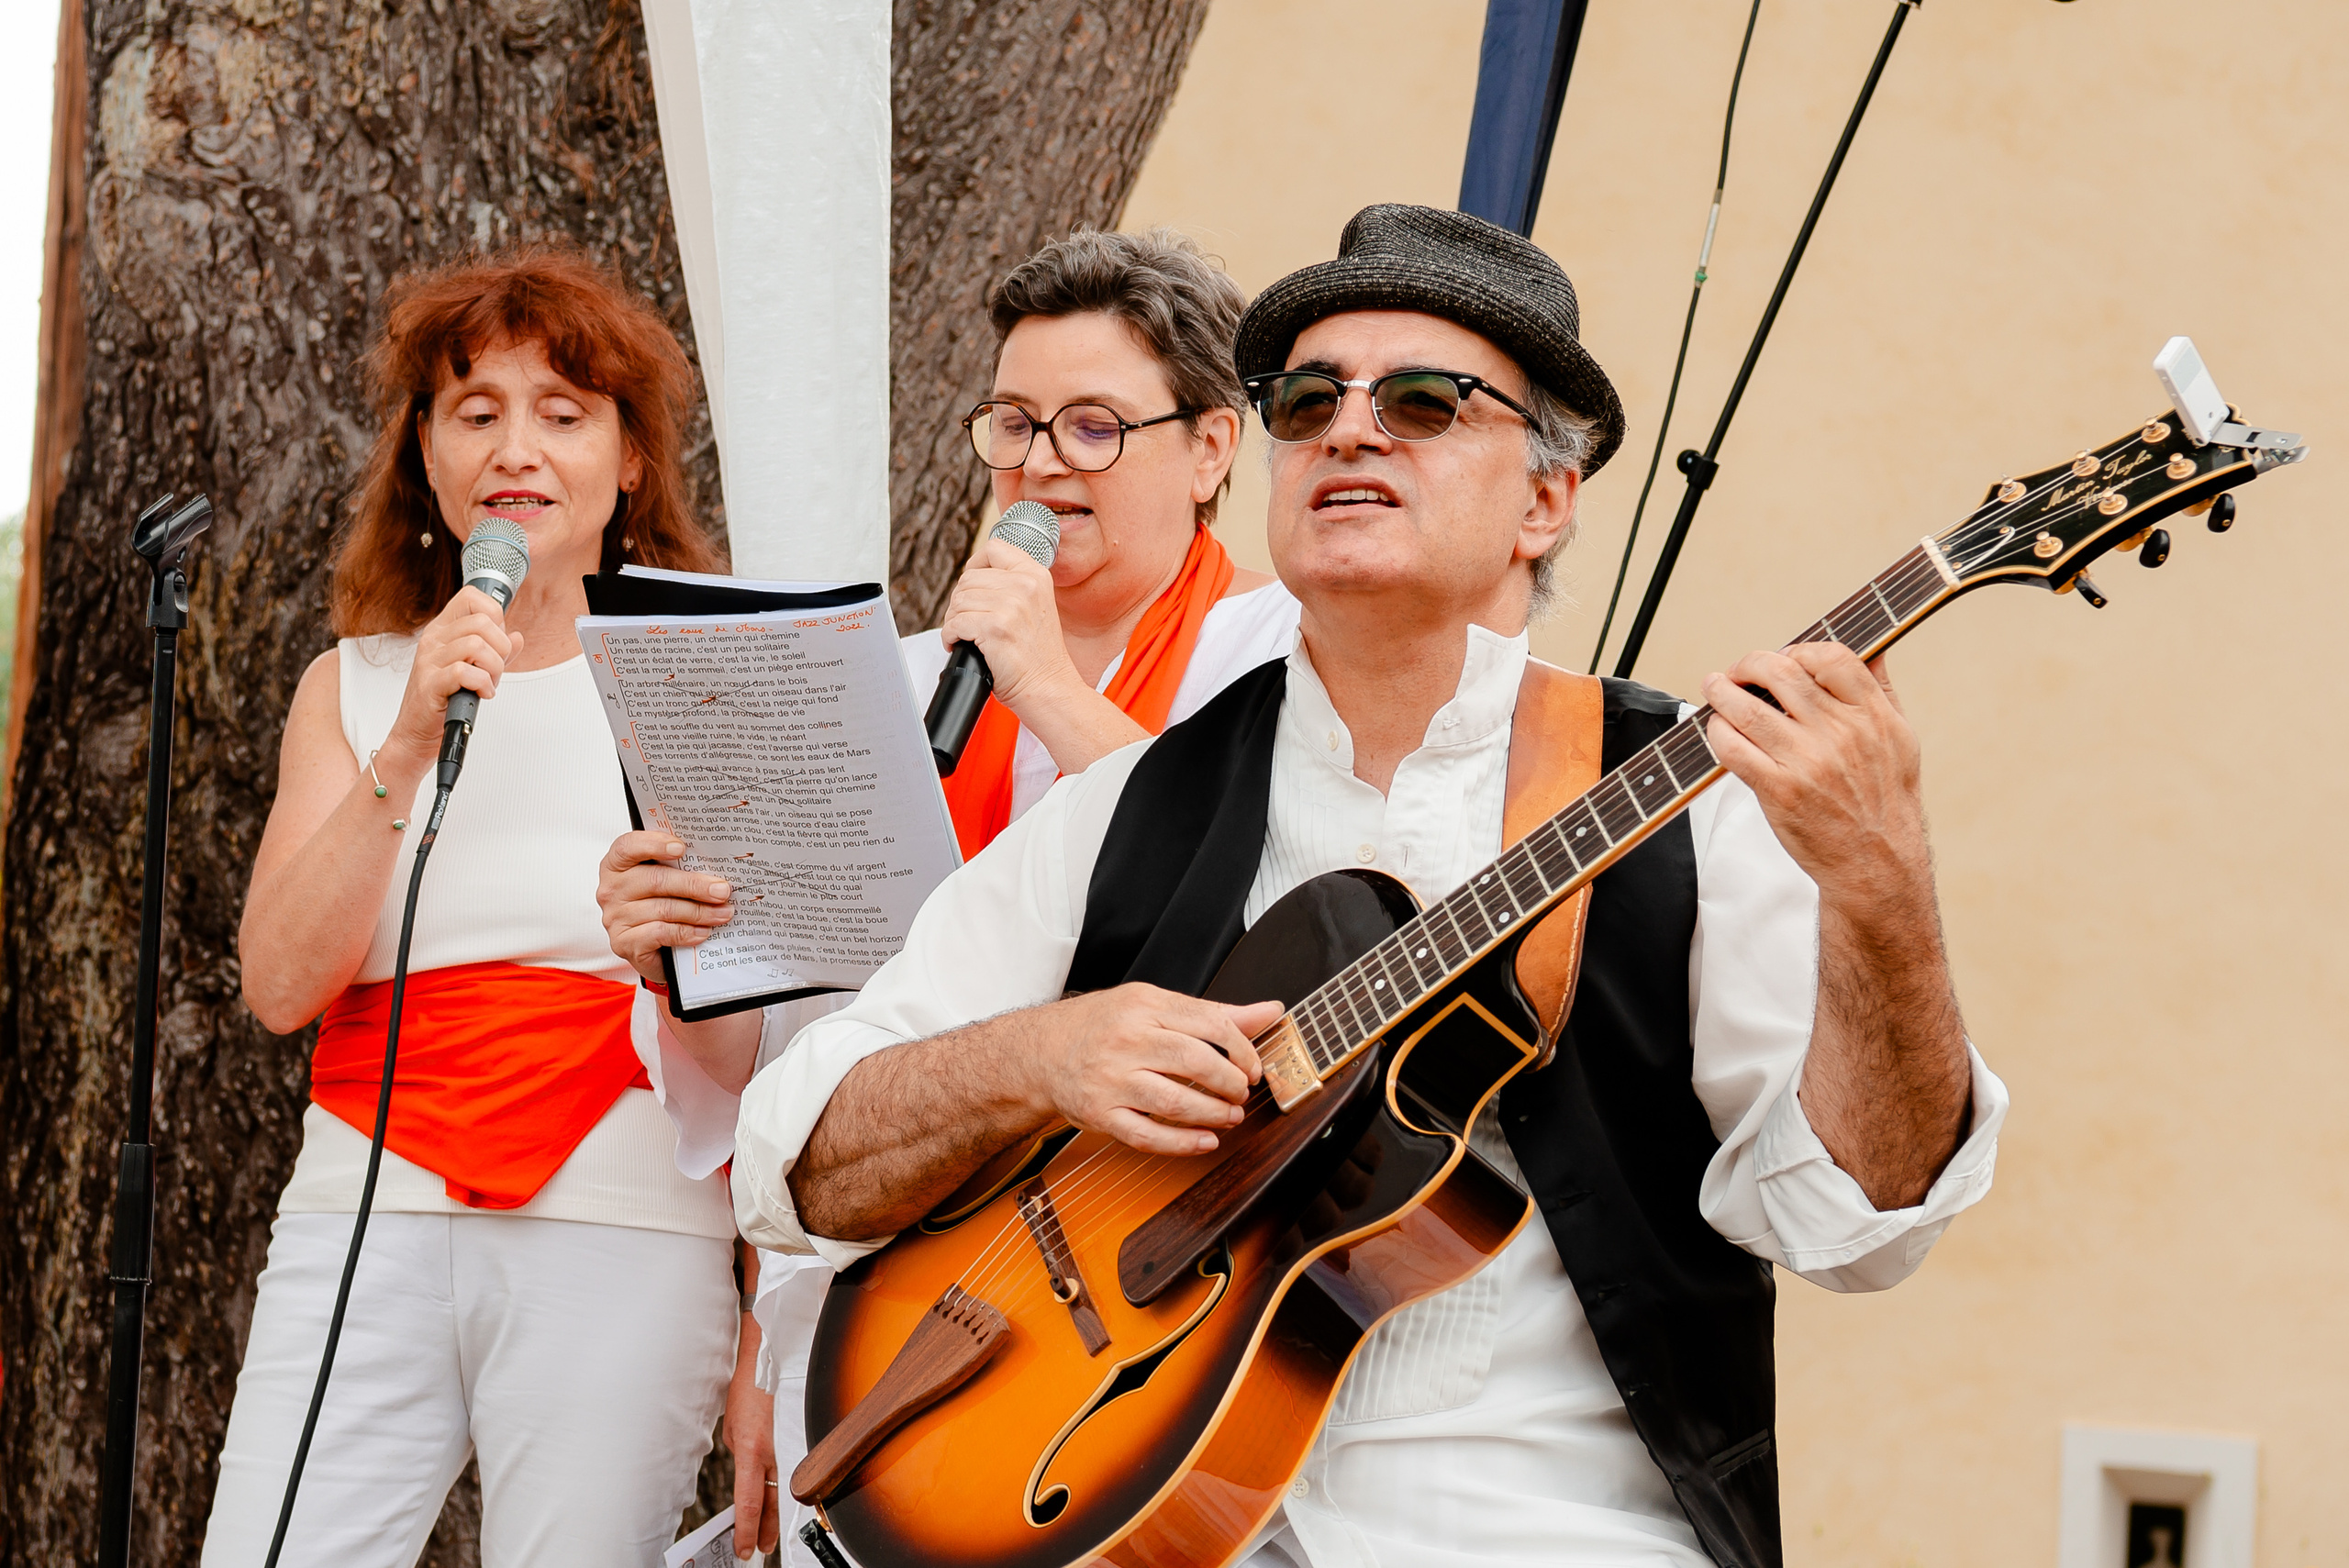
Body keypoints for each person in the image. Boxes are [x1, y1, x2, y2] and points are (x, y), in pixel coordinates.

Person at [724, 206, 2009, 1568]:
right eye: (1308, 399)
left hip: (1540, 1530)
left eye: (1422, 401)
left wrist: (1883, 889)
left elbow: (1857, 1225)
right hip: (1127, 1512)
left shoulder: (1690, 801)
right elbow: (794, 1157)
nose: (1349, 428)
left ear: (1544, 500)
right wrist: (1038, 1056)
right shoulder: (1127, 809)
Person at [595, 228, 1301, 1560]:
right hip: (870, 1289)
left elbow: (1266, 904)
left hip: (1139, 1285)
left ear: (1212, 447)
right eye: (1016, 423)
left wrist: (1048, 686)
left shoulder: (1280, 655)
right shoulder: (902, 680)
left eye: (1094, 426)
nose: (1040, 463)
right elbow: (789, 1052)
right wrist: (677, 955)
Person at [205, 248, 742, 1566]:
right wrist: (402, 744)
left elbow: (755, 1054)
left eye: (565, 411)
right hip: (363, 1210)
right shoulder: (357, 683)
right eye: (476, 409)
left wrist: (665, 959)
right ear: (429, 462)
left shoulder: (714, 674)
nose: (518, 446)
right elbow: (279, 985)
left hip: (617, 1221)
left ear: (630, 463)